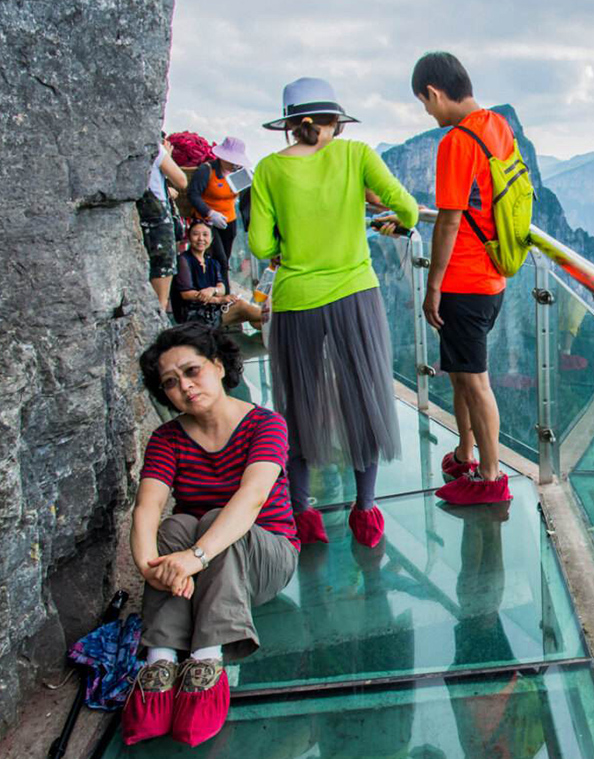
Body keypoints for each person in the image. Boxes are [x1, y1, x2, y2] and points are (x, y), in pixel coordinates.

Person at [249, 77, 418, 547]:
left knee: (299, 404)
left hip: (298, 299)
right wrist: (386, 219)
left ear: (288, 126)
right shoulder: (356, 155)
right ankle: (364, 514)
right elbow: (405, 207)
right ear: (335, 121)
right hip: (355, 294)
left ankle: (302, 516)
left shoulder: (267, 170)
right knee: (363, 399)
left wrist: (288, 243)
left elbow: (260, 244)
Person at [122, 324, 298, 747]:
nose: (184, 386)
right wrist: (150, 569)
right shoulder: (167, 439)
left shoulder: (265, 424)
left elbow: (253, 498)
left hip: (264, 559)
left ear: (219, 366)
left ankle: (206, 660)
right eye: (170, 382)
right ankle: (161, 662)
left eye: (192, 370)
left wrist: (194, 559)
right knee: (176, 525)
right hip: (196, 563)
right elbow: (147, 506)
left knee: (216, 517)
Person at [411, 51, 512, 505]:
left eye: (424, 103)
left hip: (464, 280)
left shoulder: (456, 141)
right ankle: (466, 453)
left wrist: (433, 285)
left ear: (434, 92)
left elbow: (449, 220)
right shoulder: (497, 126)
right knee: (460, 373)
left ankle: (491, 479)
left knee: (474, 380)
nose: (428, 113)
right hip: (493, 276)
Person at [171, 219, 264, 330]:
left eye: (205, 235)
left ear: (211, 239)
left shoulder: (212, 262)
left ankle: (278, 335)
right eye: (196, 234)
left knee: (258, 321)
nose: (201, 238)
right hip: (195, 316)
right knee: (243, 307)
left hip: (212, 311)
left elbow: (222, 288)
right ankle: (279, 321)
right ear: (189, 236)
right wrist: (218, 300)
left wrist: (213, 290)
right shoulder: (183, 260)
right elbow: (187, 294)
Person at [188, 136, 251, 293]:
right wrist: (210, 213)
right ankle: (223, 292)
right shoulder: (206, 171)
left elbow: (246, 198)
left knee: (226, 258)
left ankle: (221, 288)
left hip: (229, 220)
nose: (233, 163)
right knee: (219, 258)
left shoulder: (239, 173)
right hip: (207, 221)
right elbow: (193, 194)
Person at [137, 135, 188, 310]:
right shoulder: (154, 148)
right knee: (161, 292)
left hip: (139, 218)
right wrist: (167, 155)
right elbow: (181, 180)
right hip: (158, 220)